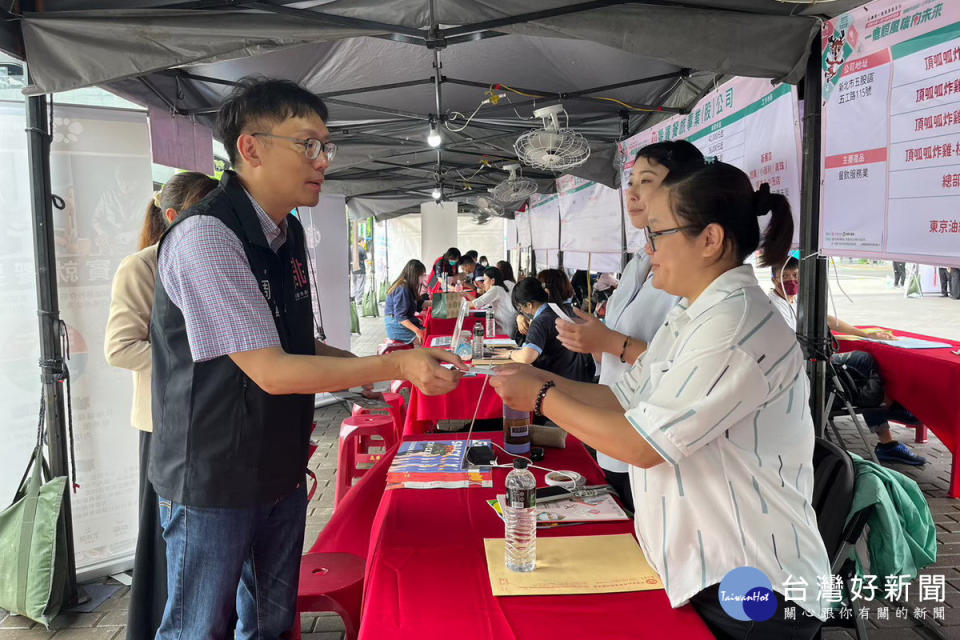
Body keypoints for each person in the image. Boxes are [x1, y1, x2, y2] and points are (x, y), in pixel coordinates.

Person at [149, 77, 465, 639]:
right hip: (213, 478)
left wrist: (381, 369)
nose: (322, 160)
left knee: (271, 623)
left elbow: (296, 341)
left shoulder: (287, 232)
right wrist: (394, 366)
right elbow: (272, 369)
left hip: (279, 466)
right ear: (251, 147)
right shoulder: (207, 237)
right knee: (198, 629)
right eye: (307, 144)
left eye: (326, 146)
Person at [491, 163, 831, 638]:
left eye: (657, 235)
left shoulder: (734, 326)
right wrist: (531, 376)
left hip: (750, 581)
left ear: (710, 239)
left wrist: (542, 394)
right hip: (700, 565)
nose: (648, 252)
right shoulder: (694, 312)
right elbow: (622, 397)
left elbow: (641, 445)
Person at [555, 140, 704, 510]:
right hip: (617, 422)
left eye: (646, 181)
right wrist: (595, 340)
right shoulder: (640, 259)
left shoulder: (690, 275)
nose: (632, 193)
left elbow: (675, 367)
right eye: (631, 181)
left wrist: (612, 342)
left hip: (653, 440)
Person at [105, 172, 218, 640]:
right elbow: (119, 347)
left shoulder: (217, 264)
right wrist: (197, 356)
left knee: (208, 537)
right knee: (165, 538)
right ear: (173, 217)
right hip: (164, 423)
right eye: (204, 214)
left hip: (212, 416)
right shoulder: (140, 268)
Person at [770, 257, 926, 465]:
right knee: (863, 361)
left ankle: (886, 423)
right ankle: (886, 412)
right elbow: (805, 339)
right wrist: (855, 337)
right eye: (785, 276)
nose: (791, 281)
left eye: (796, 276)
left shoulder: (798, 299)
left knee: (864, 367)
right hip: (799, 369)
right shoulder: (773, 305)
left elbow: (827, 320)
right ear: (774, 280)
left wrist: (864, 334)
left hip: (813, 363)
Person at [509, 277, 595, 382]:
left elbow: (527, 357)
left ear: (529, 305)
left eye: (520, 308)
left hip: (557, 383)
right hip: (577, 377)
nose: (521, 312)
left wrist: (509, 354)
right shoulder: (565, 310)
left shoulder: (540, 321)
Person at [384, 259, 427, 345]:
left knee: (426, 332)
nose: (423, 278)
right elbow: (400, 317)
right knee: (424, 340)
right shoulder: (402, 288)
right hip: (396, 326)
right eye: (422, 275)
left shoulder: (408, 286)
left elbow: (419, 304)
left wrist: (434, 303)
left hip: (399, 322)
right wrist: (417, 330)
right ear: (414, 275)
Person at [470, 266, 517, 337]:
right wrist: (484, 287)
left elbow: (476, 303)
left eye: (485, 280)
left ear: (492, 281)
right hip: (511, 324)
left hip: (504, 330)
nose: (484, 282)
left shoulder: (496, 289)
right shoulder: (506, 284)